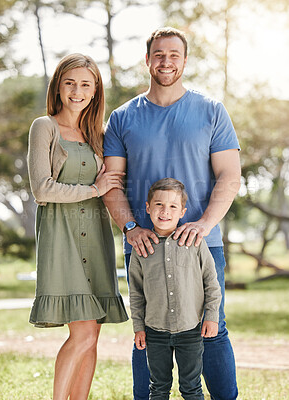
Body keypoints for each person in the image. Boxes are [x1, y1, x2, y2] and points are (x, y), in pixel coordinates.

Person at [103, 27, 241, 400]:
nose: (166, 61)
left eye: (174, 55)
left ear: (184, 60)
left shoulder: (211, 110)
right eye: (159, 54)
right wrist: (130, 227)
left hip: (200, 244)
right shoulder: (121, 117)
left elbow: (230, 175)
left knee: (212, 328)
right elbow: (112, 181)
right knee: (146, 332)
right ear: (147, 59)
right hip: (144, 245)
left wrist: (205, 223)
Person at [27, 53, 128, 400]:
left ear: (95, 89)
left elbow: (117, 182)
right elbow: (42, 188)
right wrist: (94, 189)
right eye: (70, 82)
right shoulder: (45, 127)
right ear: (58, 86)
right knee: (82, 334)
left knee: (92, 334)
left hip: (96, 238)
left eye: (86, 84)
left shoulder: (98, 135)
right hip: (62, 237)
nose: (77, 91)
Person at [129, 178, 222, 400]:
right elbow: (136, 293)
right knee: (158, 387)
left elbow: (211, 282)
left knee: (191, 387)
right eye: (159, 204)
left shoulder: (195, 242)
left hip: (190, 329)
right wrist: (138, 327)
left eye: (173, 206)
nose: (165, 211)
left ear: (182, 211)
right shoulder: (141, 247)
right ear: (148, 208)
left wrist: (212, 316)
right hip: (155, 331)